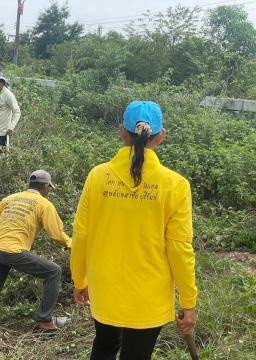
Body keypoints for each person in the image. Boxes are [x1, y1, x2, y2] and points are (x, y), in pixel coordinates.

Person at [70, 101, 197, 360]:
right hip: (148, 298)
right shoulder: (175, 185)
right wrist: (188, 302)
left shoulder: (98, 176)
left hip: (104, 289)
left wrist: (80, 279)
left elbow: (81, 234)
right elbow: (179, 248)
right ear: (161, 137)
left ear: (121, 132)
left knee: (104, 347)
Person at [0, 170, 72, 332]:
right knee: (54, 271)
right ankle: (45, 321)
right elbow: (56, 234)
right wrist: (72, 245)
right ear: (46, 187)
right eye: (49, 188)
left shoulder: (11, 198)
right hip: (12, 252)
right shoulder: (44, 204)